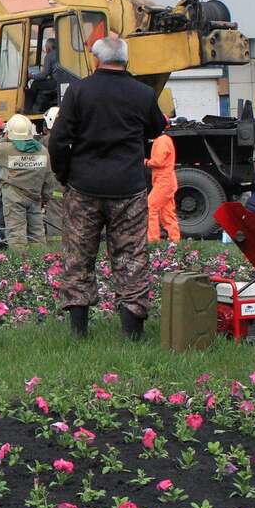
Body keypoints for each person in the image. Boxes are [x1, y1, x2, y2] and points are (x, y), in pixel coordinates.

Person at [47, 36, 166, 340]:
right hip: (128, 188)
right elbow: (156, 128)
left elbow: (59, 140)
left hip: (84, 187)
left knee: (79, 257)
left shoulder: (78, 91)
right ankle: (132, 335)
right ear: (126, 60)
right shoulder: (143, 93)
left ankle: (78, 333)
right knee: (131, 258)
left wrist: (65, 174)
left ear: (97, 60)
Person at [0, 114, 53, 250]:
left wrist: (5, 138)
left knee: (16, 235)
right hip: (35, 197)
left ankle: (21, 265)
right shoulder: (42, 151)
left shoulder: (6, 149)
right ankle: (40, 263)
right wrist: (45, 198)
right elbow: (48, 179)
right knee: (37, 234)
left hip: (13, 197)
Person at [146, 129, 180, 242]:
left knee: (150, 207)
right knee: (167, 212)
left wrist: (146, 162)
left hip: (164, 181)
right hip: (167, 180)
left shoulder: (161, 140)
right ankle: (174, 240)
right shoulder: (165, 139)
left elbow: (158, 162)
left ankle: (153, 240)